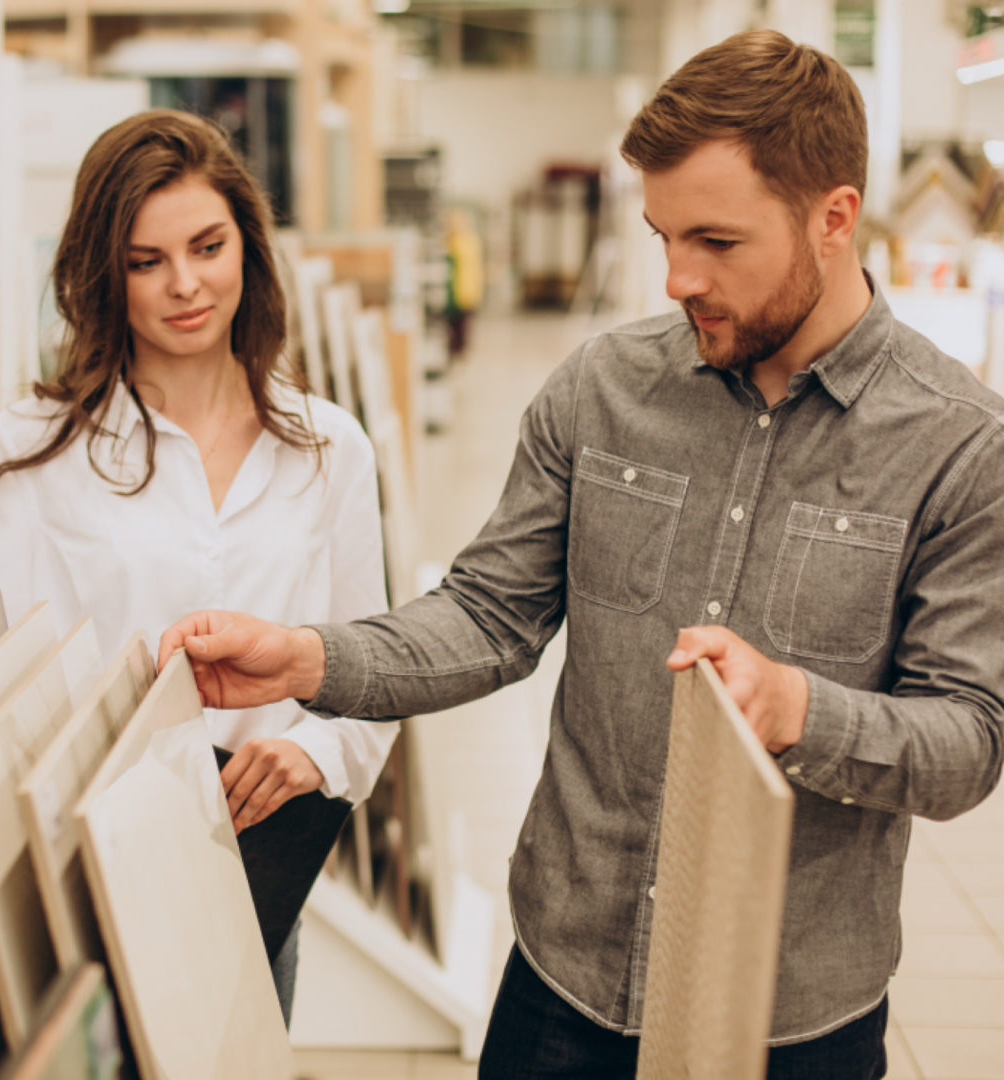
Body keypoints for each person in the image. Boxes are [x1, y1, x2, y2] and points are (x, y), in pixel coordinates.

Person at [159, 31, 1004, 1080]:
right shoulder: (603, 389)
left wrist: (796, 709)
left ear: (834, 218)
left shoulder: (961, 444)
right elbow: (489, 616)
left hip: (792, 1019)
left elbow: (967, 740)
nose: (677, 276)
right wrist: (310, 660)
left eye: (716, 241)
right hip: (562, 988)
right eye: (662, 235)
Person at [0, 110, 398, 1026]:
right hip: (86, 882)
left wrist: (311, 752)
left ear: (248, 247)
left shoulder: (326, 448)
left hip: (255, 871)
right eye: (146, 261)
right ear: (102, 275)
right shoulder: (35, 452)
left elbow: (373, 666)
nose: (185, 285)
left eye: (207, 246)